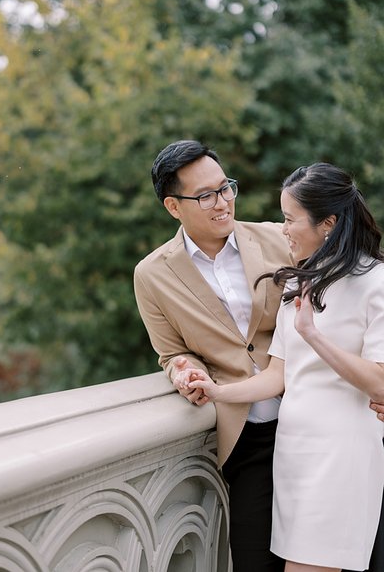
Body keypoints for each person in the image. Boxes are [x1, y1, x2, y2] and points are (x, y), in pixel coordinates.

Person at [187, 162, 384, 572]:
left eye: (290, 219)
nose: (283, 229)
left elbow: (379, 382)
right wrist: (218, 391)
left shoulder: (375, 281)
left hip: (340, 453)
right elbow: (278, 376)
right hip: (294, 454)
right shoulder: (301, 281)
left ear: (327, 223)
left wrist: (313, 335)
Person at [133, 140, 292, 572]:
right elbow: (171, 352)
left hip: (311, 419)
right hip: (247, 436)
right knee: (254, 560)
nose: (222, 203)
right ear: (173, 206)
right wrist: (185, 370)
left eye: (226, 188)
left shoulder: (280, 238)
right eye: (205, 195)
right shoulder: (151, 274)